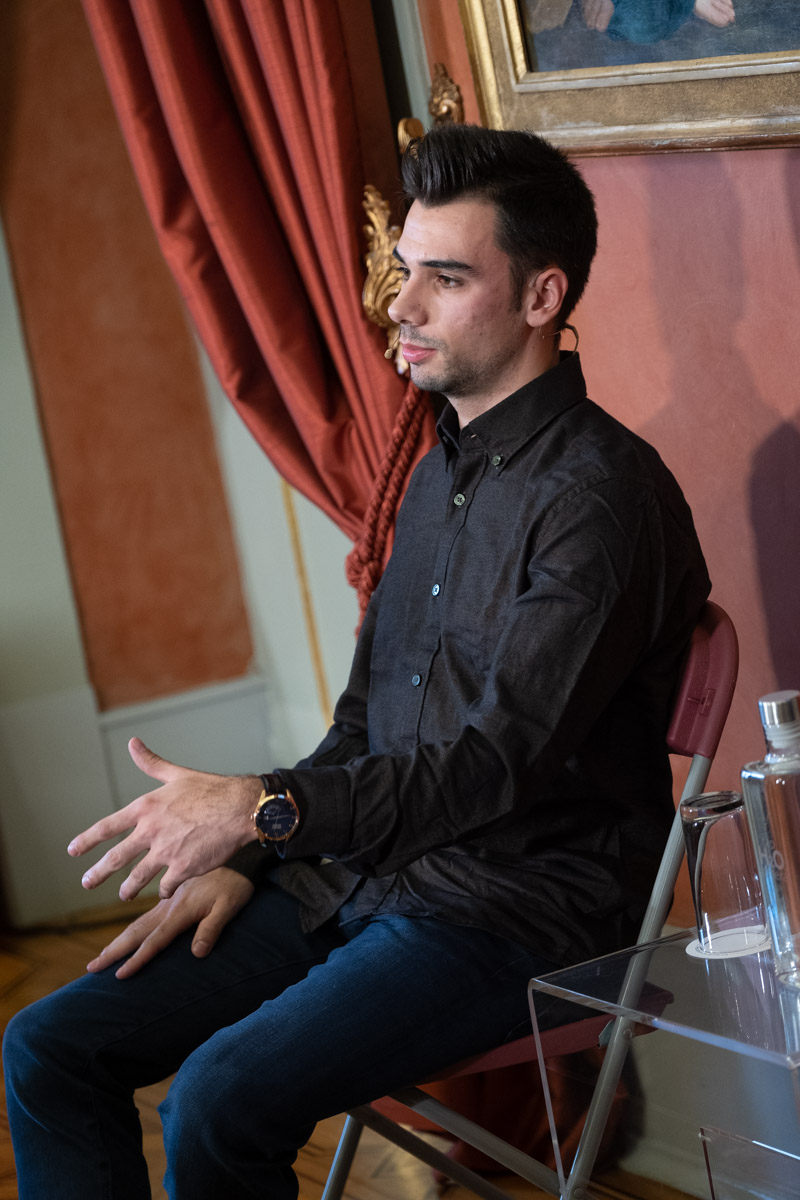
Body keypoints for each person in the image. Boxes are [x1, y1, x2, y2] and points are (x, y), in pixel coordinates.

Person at [3, 124, 710, 1200]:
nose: (401, 305)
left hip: (516, 911)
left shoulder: (600, 501)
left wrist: (261, 810)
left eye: (445, 279)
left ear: (541, 296)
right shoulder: (436, 470)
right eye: (404, 271)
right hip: (370, 875)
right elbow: (360, 729)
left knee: (218, 1099)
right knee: (50, 1047)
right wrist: (251, 857)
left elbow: (493, 767)